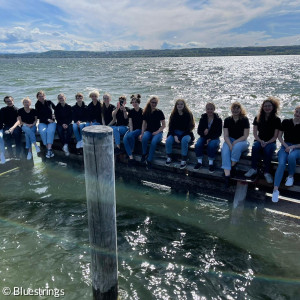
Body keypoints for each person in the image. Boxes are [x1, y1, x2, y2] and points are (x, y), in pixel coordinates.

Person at [245, 97, 281, 183]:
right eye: (265, 106)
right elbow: (254, 134)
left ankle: (267, 172)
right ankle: (253, 168)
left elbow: (275, 137)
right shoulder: (258, 118)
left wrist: (267, 142)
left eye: (269, 106)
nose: (267, 108)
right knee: (255, 147)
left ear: (273, 107)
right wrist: (260, 141)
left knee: (267, 149)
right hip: (259, 140)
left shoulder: (277, 119)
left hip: (271, 142)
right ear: (262, 107)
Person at [272, 105, 300, 203]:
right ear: (294, 112)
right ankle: (275, 190)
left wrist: (293, 147)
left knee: (292, 156)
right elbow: (279, 136)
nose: (298, 114)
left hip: (297, 147)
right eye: (297, 111)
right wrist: (285, 146)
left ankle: (291, 176)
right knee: (281, 164)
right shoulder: (286, 122)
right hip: (285, 146)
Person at [221, 102, 250, 186]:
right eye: (234, 108)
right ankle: (227, 176)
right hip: (229, 140)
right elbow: (225, 136)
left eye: (237, 108)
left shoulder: (244, 119)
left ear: (240, 110)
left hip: (242, 141)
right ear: (231, 109)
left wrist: (235, 142)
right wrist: (230, 144)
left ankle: (232, 167)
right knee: (225, 150)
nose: (235, 110)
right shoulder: (227, 120)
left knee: (236, 147)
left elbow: (245, 135)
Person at [165, 99, 195, 169]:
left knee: (184, 141)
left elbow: (190, 127)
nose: (180, 105)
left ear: (184, 105)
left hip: (186, 133)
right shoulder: (173, 114)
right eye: (178, 104)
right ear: (176, 106)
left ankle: (184, 159)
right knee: (168, 140)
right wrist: (175, 136)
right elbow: (171, 127)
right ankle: (169, 157)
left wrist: (181, 137)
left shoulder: (188, 114)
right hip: (175, 133)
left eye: (181, 104)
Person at [194, 102, 222, 173]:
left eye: (211, 109)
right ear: (206, 109)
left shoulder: (218, 120)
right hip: (204, 137)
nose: (209, 111)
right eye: (208, 109)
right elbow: (199, 131)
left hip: (214, 138)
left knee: (211, 145)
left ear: (214, 109)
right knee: (198, 144)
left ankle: (211, 164)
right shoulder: (203, 118)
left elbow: (219, 133)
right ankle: (199, 162)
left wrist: (210, 138)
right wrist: (204, 132)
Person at [139, 96, 166, 169]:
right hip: (149, 131)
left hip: (158, 132)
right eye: (152, 102)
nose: (154, 104)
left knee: (154, 142)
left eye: (155, 103)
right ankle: (144, 154)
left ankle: (149, 159)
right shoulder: (146, 111)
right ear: (149, 102)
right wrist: (142, 133)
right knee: (144, 138)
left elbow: (164, 125)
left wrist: (157, 131)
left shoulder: (159, 112)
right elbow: (144, 124)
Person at [35, 91, 56, 158]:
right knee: (42, 131)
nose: (41, 98)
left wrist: (54, 116)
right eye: (39, 96)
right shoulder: (37, 104)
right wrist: (47, 119)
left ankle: (48, 150)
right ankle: (49, 149)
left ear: (45, 96)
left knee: (50, 131)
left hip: (51, 122)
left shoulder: (49, 102)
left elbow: (56, 109)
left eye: (42, 96)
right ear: (37, 98)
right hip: (42, 122)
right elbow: (38, 116)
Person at [123, 94, 143, 166]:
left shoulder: (142, 111)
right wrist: (131, 131)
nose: (134, 104)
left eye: (136, 102)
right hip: (132, 129)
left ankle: (131, 151)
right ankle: (131, 158)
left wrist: (142, 133)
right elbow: (130, 123)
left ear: (139, 102)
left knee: (130, 135)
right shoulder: (131, 111)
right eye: (133, 102)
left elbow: (144, 124)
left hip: (139, 130)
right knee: (125, 139)